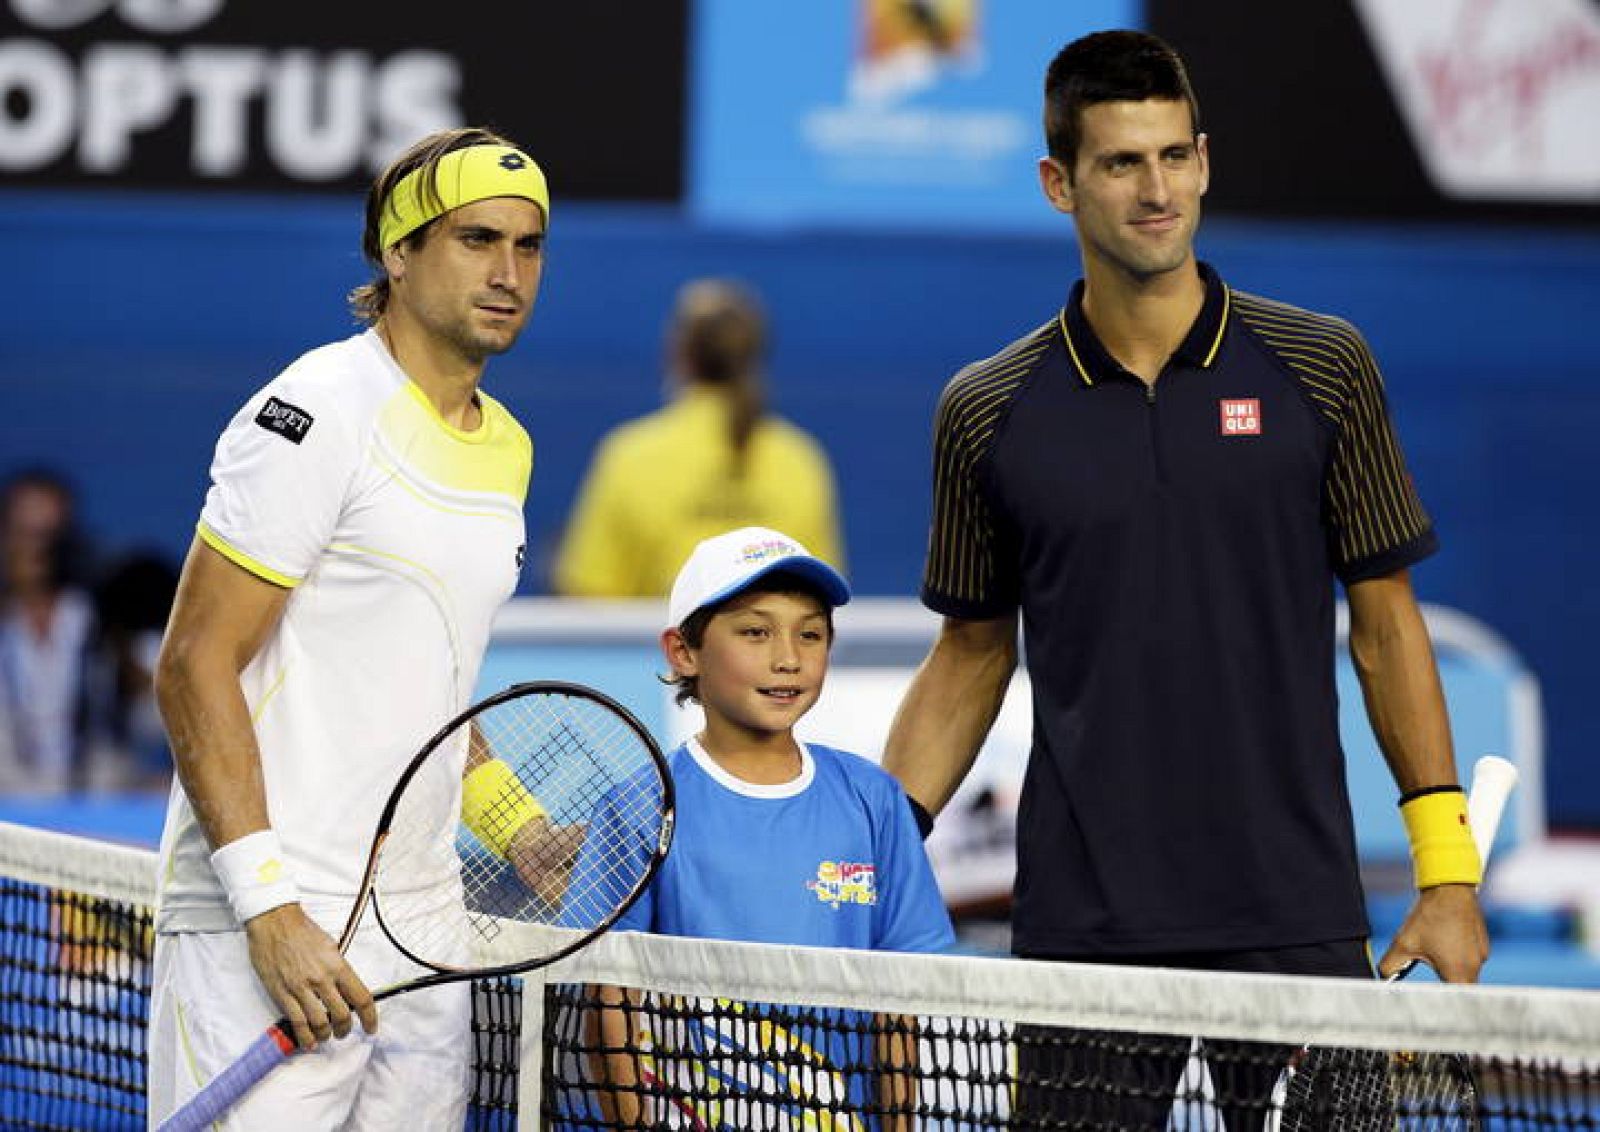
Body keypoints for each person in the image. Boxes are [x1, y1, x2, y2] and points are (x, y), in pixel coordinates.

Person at [880, 29, 1487, 1129]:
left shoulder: (1324, 368)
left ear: (1203, 160)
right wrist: (872, 848)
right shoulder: (986, 410)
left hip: (1295, 913)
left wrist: (1446, 875)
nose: (1156, 191)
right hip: (1084, 930)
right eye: (1121, 163)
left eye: (1174, 156)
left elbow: (1387, 631)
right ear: (1059, 183)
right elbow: (970, 654)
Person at [147, 126, 550, 1128]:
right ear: (399, 252)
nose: (507, 273)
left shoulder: (508, 449)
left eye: (529, 245)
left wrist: (512, 823)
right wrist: (269, 909)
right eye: (476, 239)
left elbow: (429, 681)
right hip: (275, 925)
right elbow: (193, 664)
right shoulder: (318, 408)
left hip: (422, 935)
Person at [574, 526, 953, 1129]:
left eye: (811, 634)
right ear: (683, 652)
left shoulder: (874, 800)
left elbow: (901, 1000)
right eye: (755, 632)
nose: (788, 658)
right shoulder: (638, 806)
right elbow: (606, 1004)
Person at [552, 279, 845, 597]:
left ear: (679, 353)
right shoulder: (800, 459)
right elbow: (822, 593)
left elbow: (589, 592)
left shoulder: (632, 454)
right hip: (770, 631)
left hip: (661, 632)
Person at [0, 468, 119, 795]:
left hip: (96, 801)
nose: (36, 551)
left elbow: (140, 721)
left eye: (49, 536)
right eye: (24, 534)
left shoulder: (101, 623)